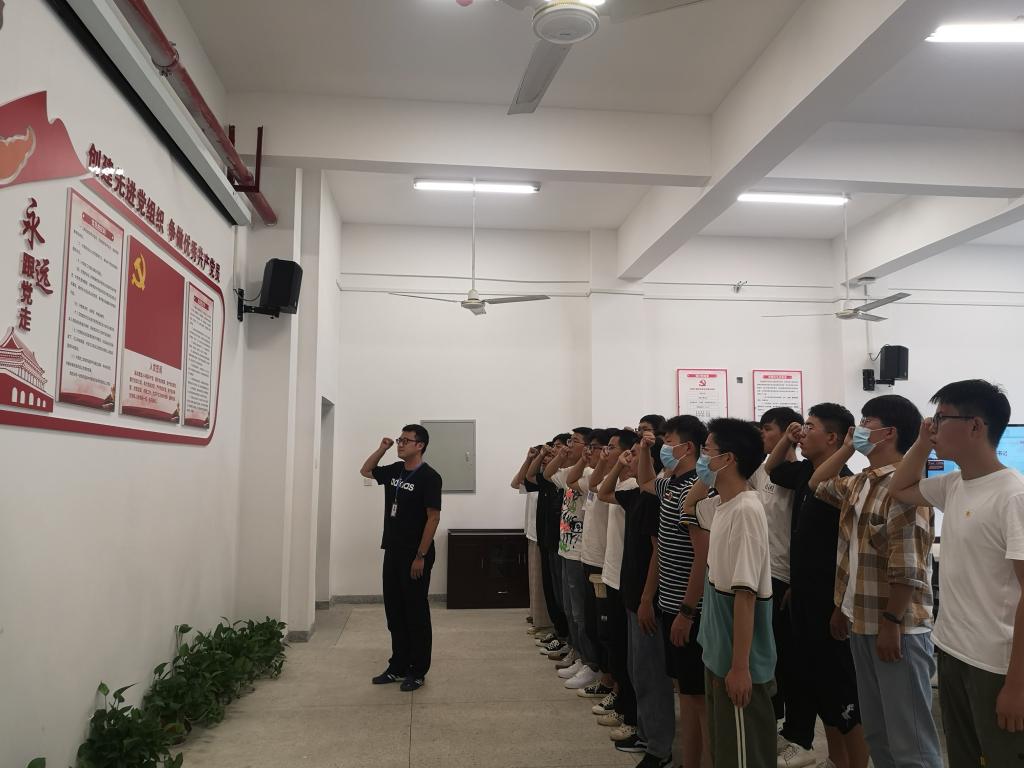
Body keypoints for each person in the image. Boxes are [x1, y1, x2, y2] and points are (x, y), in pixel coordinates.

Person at [890, 380, 1024, 768]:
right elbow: (899, 487)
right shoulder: (954, 484)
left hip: (995, 664)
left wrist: (1017, 685)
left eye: (941, 419)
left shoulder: (1013, 496)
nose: (932, 427)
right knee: (963, 757)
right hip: (952, 649)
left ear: (975, 426)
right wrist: (921, 442)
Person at [808, 395, 940, 768]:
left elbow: (908, 566)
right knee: (878, 734)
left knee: (910, 741)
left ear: (889, 433)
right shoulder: (861, 482)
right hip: (862, 621)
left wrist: (892, 622)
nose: (858, 428)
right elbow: (817, 482)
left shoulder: (905, 487)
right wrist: (842, 606)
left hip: (897, 629)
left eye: (867, 422)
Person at [767, 403, 866, 768]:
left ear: (834, 438)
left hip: (832, 603)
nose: (803, 433)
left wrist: (841, 606)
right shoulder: (805, 472)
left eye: (810, 427)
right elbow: (772, 469)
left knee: (844, 694)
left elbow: (850, 553)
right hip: (806, 597)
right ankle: (836, 759)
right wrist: (788, 439)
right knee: (822, 687)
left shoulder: (845, 483)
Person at [684, 418, 778, 768]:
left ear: (728, 459)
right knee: (726, 751)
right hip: (718, 654)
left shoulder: (747, 511)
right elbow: (688, 506)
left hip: (737, 662)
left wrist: (740, 668)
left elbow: (746, 595)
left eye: (706, 451)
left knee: (744, 755)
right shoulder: (722, 505)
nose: (701, 458)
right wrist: (707, 476)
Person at [638, 415, 710, 768]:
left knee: (699, 699)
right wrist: (644, 450)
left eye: (668, 442)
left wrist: (687, 611)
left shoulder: (697, 489)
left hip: (688, 608)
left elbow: (702, 557)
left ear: (688, 448)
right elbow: (645, 482)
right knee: (686, 691)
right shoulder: (670, 484)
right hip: (668, 602)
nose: (663, 448)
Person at [360, 425, 442, 692]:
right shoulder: (395, 470)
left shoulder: (430, 477)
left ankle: (418, 671)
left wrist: (421, 555)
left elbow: (433, 518)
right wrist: (382, 449)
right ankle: (398, 666)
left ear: (420, 445)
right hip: (393, 551)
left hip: (416, 554)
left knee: (415, 613)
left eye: (406, 440)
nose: (400, 444)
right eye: (399, 440)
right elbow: (366, 470)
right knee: (395, 613)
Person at [617, 432, 675, 767]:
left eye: (640, 453)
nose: (633, 457)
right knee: (637, 670)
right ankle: (645, 731)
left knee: (652, 675)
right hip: (632, 592)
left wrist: (646, 598)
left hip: (646, 596)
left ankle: (659, 747)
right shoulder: (641, 493)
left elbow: (658, 551)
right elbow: (604, 489)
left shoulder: (657, 497)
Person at [751, 407, 803, 752]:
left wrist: (797, 581)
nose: (762, 434)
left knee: (786, 658)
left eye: (768, 428)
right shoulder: (761, 470)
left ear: (787, 432)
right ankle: (769, 720)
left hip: (784, 575)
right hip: (760, 573)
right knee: (766, 655)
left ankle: (790, 730)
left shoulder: (800, 475)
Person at [545, 427, 601, 689]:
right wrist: (564, 454)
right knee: (569, 609)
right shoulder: (573, 471)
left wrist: (582, 458)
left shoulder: (590, 473)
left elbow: (573, 480)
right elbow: (548, 474)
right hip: (565, 548)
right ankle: (578, 654)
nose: (568, 445)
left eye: (574, 441)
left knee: (581, 612)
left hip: (580, 552)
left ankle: (590, 662)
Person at [596, 431, 641, 740]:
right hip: (612, 574)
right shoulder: (621, 485)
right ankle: (624, 705)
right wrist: (615, 465)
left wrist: (620, 465)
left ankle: (631, 714)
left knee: (628, 654)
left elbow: (602, 492)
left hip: (627, 579)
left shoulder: (635, 488)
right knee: (615, 645)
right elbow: (600, 491)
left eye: (612, 448)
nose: (606, 452)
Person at [527, 436, 572, 656]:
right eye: (553, 447)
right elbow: (529, 476)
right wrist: (541, 455)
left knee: (567, 600)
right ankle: (559, 633)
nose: (553, 450)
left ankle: (567, 640)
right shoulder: (551, 477)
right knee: (554, 593)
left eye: (558, 446)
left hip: (563, 545)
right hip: (547, 541)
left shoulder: (567, 477)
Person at [512, 445, 552, 636]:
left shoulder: (549, 480)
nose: (543, 460)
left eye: (546, 456)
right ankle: (537, 617)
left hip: (542, 535)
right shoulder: (535, 478)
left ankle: (544, 623)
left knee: (542, 583)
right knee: (535, 581)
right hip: (533, 533)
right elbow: (515, 483)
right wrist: (529, 459)